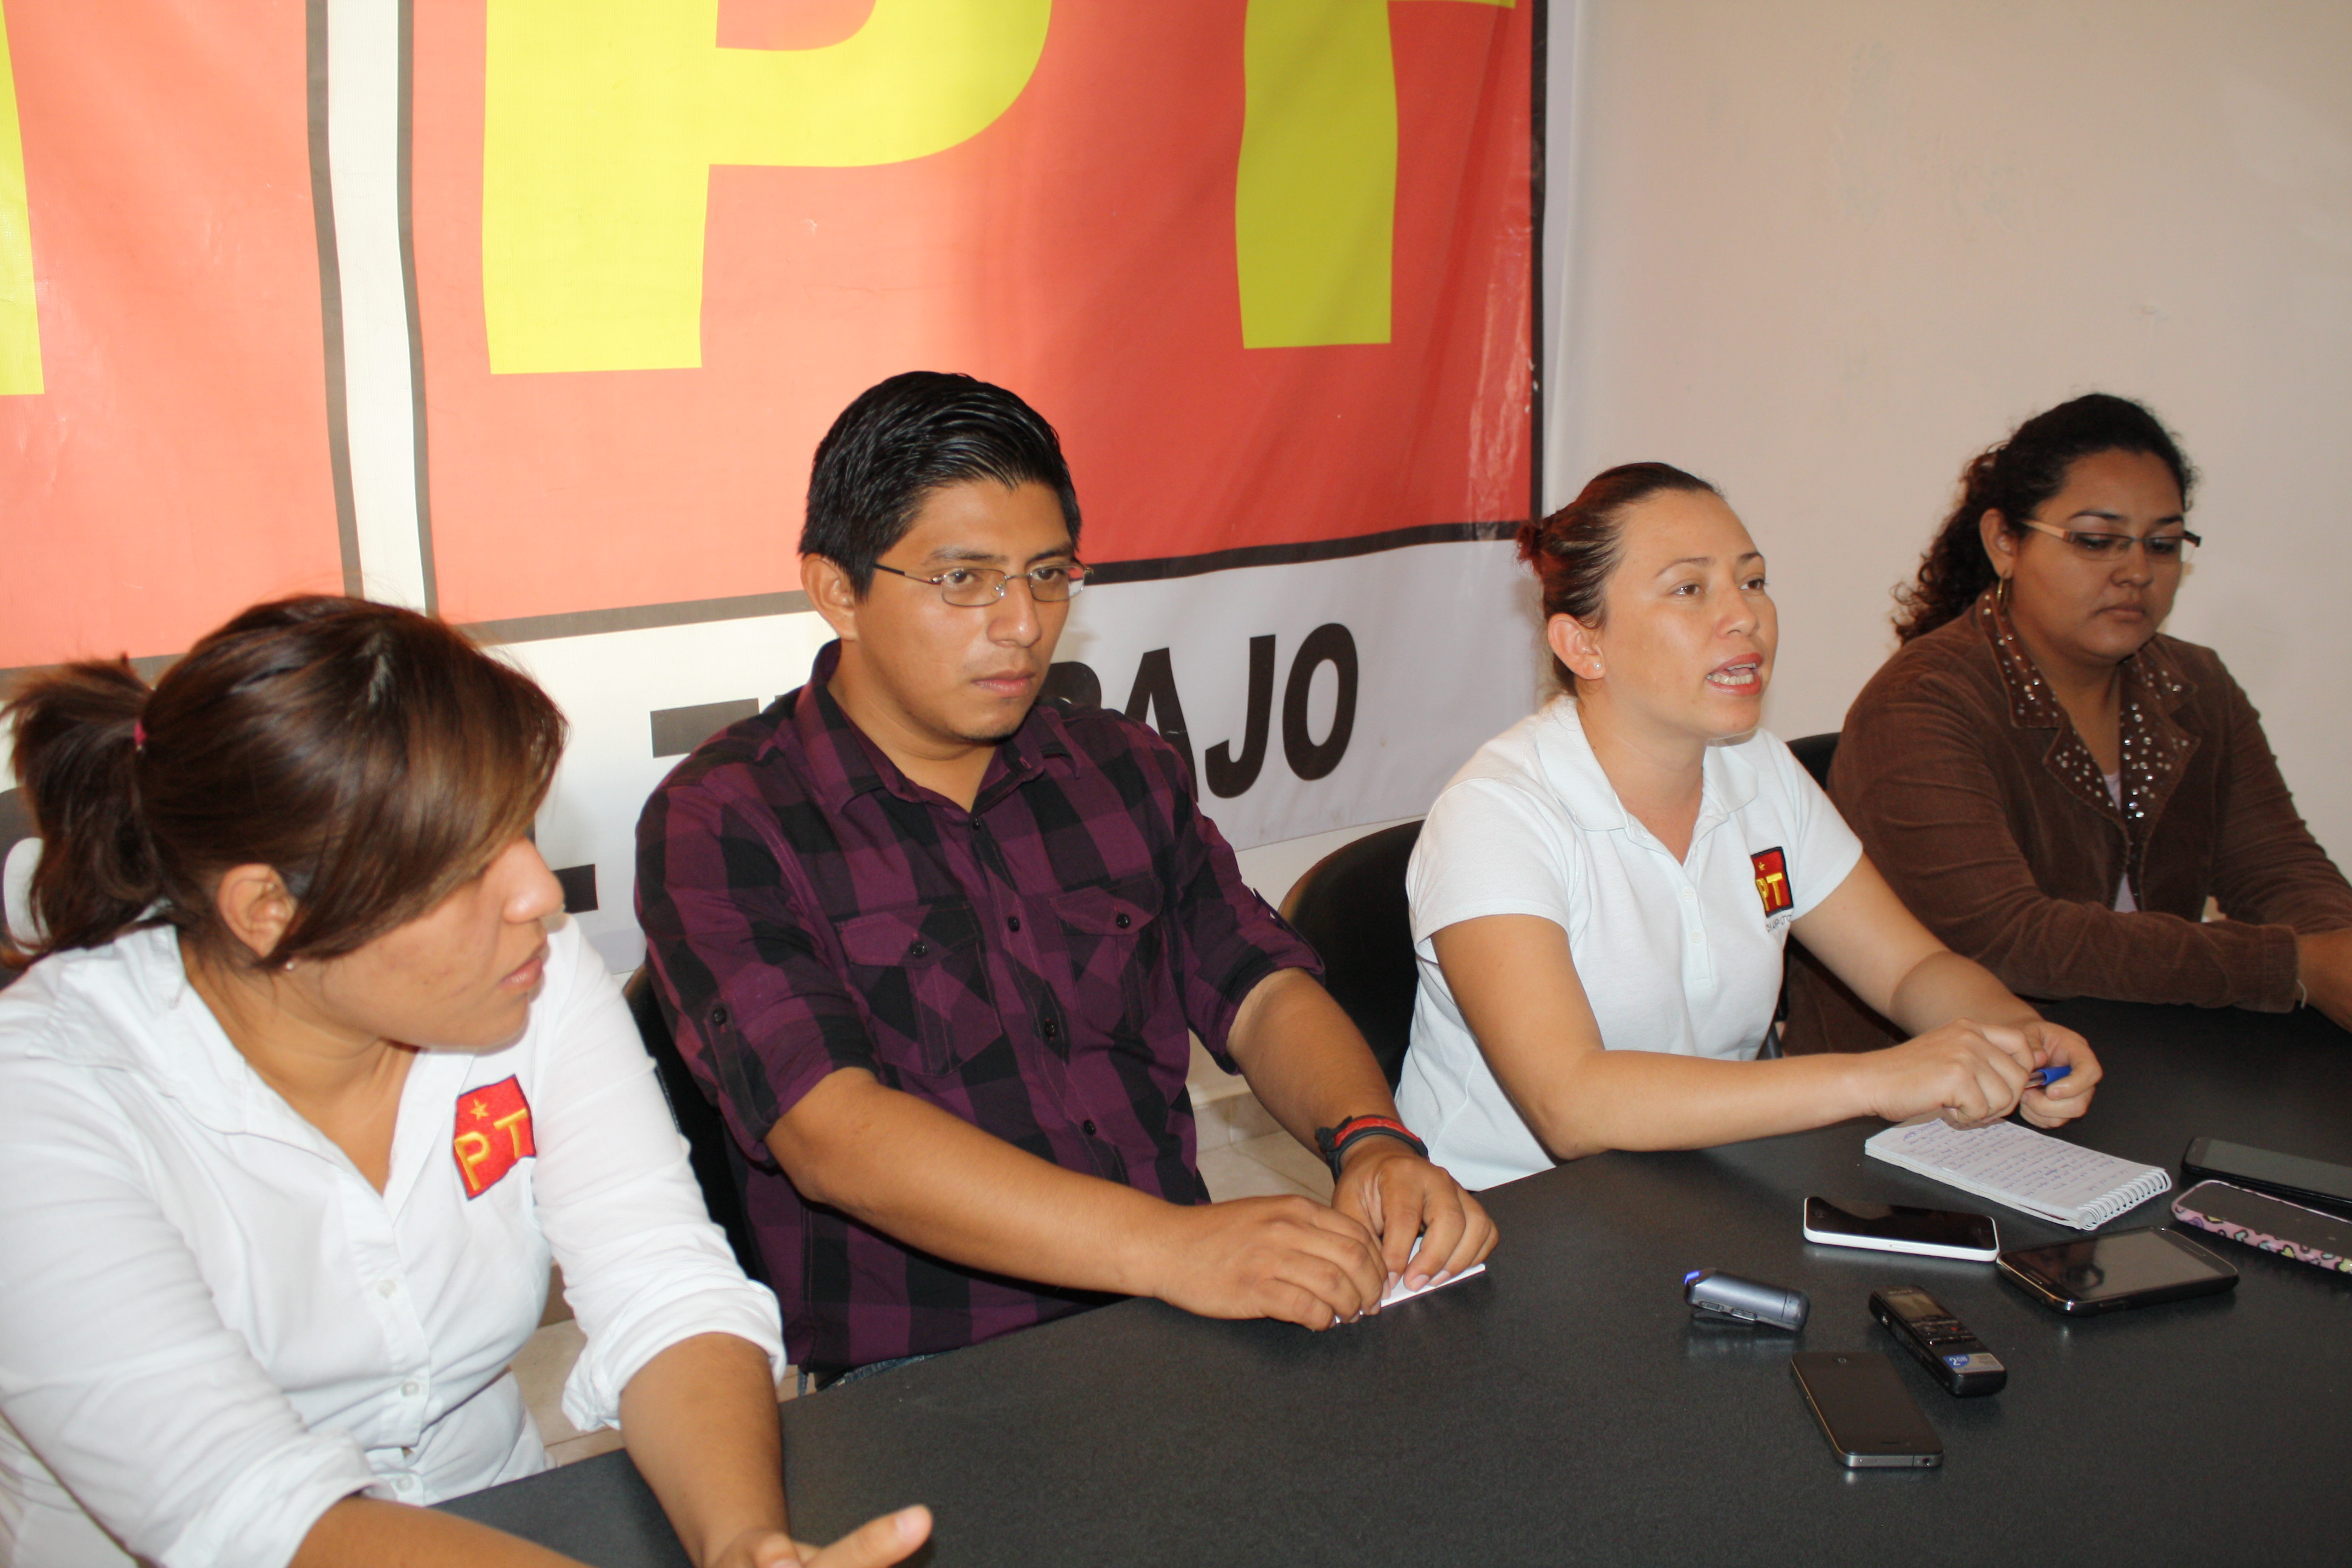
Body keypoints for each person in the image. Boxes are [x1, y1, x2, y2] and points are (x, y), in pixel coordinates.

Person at [0, 598, 929, 1568]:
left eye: (520, 830)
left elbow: (663, 1287)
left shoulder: (525, 970)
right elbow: (242, 1507)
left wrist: (745, 1543)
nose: (538, 893)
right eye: (463, 865)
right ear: (269, 910)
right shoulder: (42, 1100)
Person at [636, 371, 1496, 1383]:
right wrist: (1171, 1248)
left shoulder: (1119, 767)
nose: (1022, 623)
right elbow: (831, 1134)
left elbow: (1260, 986)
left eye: (1047, 575)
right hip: (930, 1373)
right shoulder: (726, 818)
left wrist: (1372, 1141)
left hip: (1178, 1313)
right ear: (838, 591)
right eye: (965, 580)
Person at [1392, 463, 2102, 1191]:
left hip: (1697, 1189)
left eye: (1753, 581)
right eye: (1689, 589)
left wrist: (2014, 1032)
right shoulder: (1496, 814)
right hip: (1506, 1218)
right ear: (1582, 646)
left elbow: (1909, 971)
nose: (1745, 616)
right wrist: (1876, 1079)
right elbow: (1573, 1105)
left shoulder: (1757, 768)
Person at [1786, 394, 2352, 1054]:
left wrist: (2336, 951)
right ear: (2005, 543)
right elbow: (2010, 939)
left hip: (2150, 1055)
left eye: (2163, 544)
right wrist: (2293, 966)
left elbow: (2282, 871)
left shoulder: (2196, 686)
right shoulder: (1922, 702)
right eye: (2095, 541)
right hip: (1945, 1080)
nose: (2136, 572)